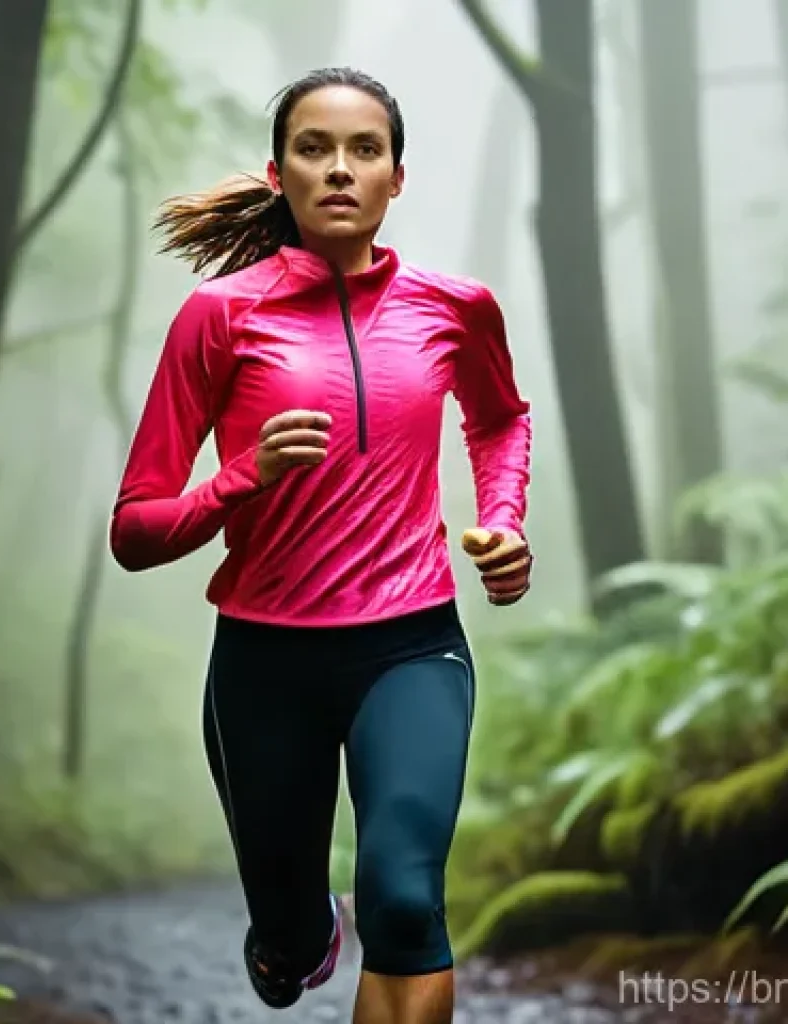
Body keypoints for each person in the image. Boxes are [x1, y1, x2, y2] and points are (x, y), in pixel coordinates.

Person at [109, 67, 532, 1024]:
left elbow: (501, 419)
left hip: (412, 644)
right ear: (278, 174)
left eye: (364, 150)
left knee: (405, 901)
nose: (339, 170)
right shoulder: (218, 319)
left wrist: (504, 520)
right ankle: (294, 937)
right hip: (264, 662)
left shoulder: (456, 307)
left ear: (396, 177)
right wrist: (239, 476)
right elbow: (134, 530)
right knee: (293, 934)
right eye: (314, 148)